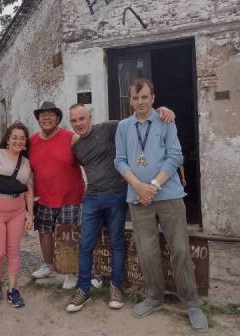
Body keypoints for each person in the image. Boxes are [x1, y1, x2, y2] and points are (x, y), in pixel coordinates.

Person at [114, 78, 208, 332]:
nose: (140, 102)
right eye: (135, 98)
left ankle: (191, 302)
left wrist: (153, 186)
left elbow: (175, 155)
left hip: (168, 194)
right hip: (138, 198)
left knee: (179, 248)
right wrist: (139, 187)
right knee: (147, 251)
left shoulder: (166, 120)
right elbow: (120, 161)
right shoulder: (123, 126)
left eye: (145, 97)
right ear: (130, 100)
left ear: (153, 98)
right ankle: (154, 297)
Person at [66, 103, 174, 313]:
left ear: (90, 117)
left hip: (116, 195)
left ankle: (116, 287)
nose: (79, 124)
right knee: (85, 244)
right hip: (92, 198)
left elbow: (137, 120)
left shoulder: (109, 127)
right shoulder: (77, 147)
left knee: (116, 242)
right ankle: (83, 289)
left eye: (82, 118)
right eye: (74, 121)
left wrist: (161, 110)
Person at [29, 102, 84, 289]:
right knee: (45, 233)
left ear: (58, 119)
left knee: (67, 233)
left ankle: (70, 271)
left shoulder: (71, 138)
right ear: (38, 119)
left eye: (51, 115)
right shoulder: (32, 141)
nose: (46, 118)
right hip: (43, 196)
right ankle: (48, 265)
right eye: (42, 115)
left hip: (69, 195)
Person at [0, 122, 34, 308]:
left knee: (14, 251)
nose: (18, 141)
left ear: (26, 141)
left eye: (22, 138)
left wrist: (30, 215)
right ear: (8, 139)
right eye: (14, 137)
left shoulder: (27, 163)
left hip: (17, 210)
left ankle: (13, 289)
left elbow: (29, 190)